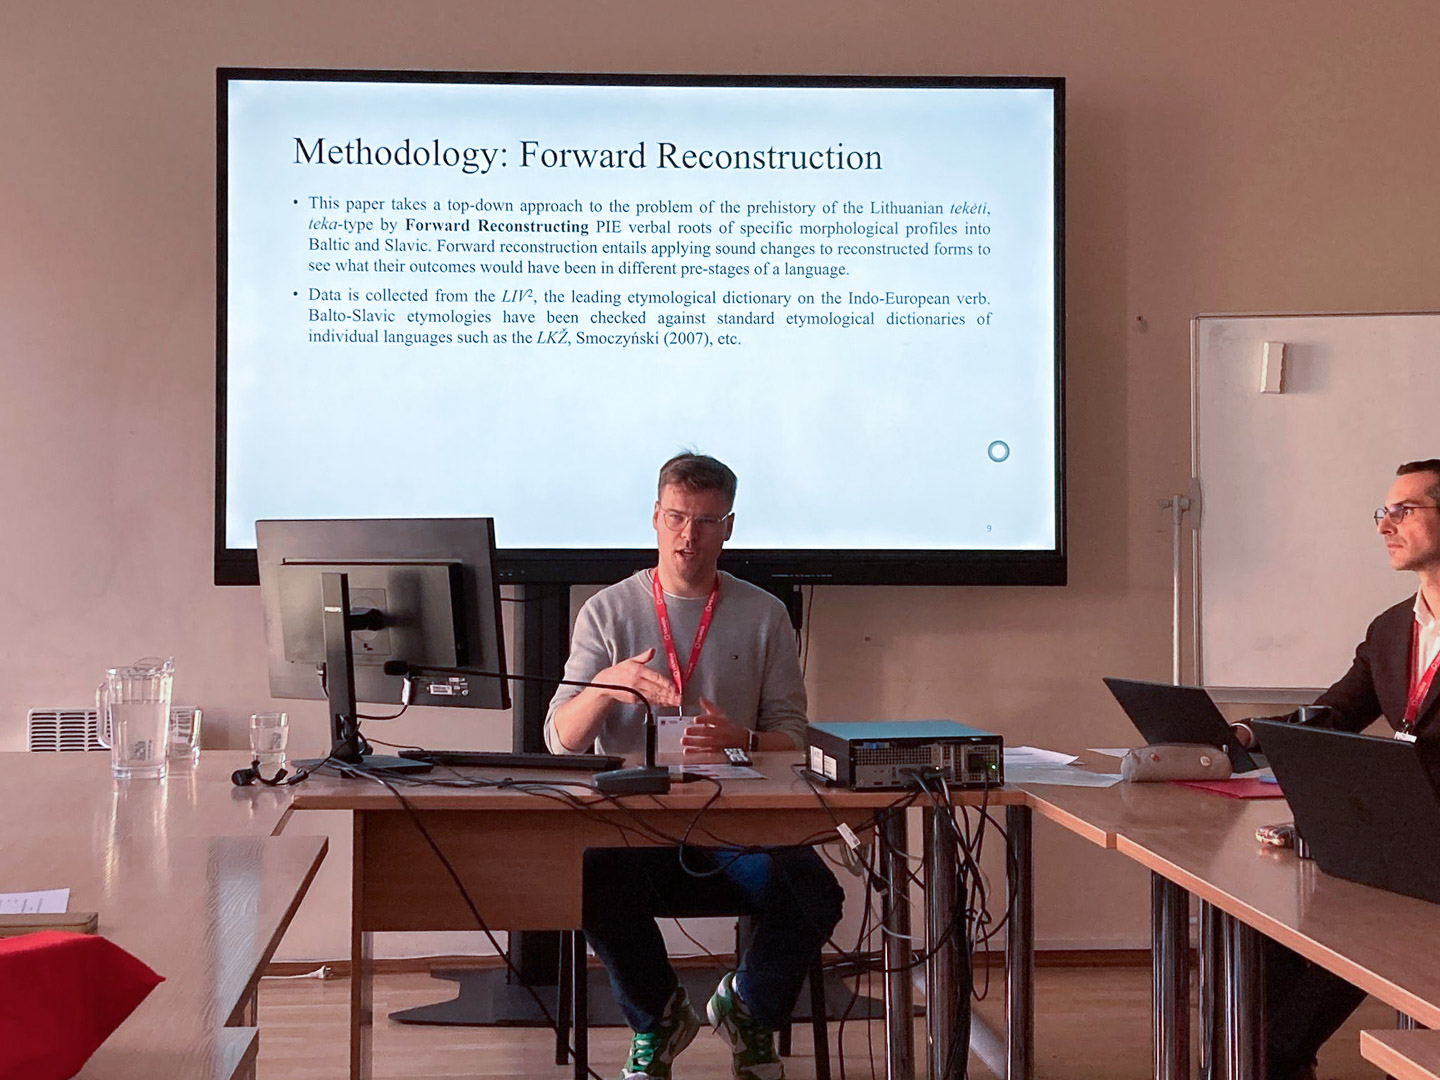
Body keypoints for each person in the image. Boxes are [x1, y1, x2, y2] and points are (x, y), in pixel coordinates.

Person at [545, 452, 844, 1080]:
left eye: (706, 522)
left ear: (728, 528)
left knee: (814, 888)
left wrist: (745, 739)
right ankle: (658, 1020)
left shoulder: (764, 614)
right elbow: (561, 740)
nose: (689, 536)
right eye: (677, 517)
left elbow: (794, 737)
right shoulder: (606, 611)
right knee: (586, 876)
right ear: (655, 518)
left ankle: (747, 1011)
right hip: (637, 830)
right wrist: (607, 686)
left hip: (739, 828)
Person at [1231, 458, 1440, 1080]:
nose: (1386, 525)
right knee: (1268, 931)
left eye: (1405, 510)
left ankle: (1276, 1059)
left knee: (1291, 1014)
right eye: (1384, 511)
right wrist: (1245, 733)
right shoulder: (1390, 629)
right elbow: (1335, 712)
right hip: (1388, 845)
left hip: (1425, 859)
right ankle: (1273, 1058)